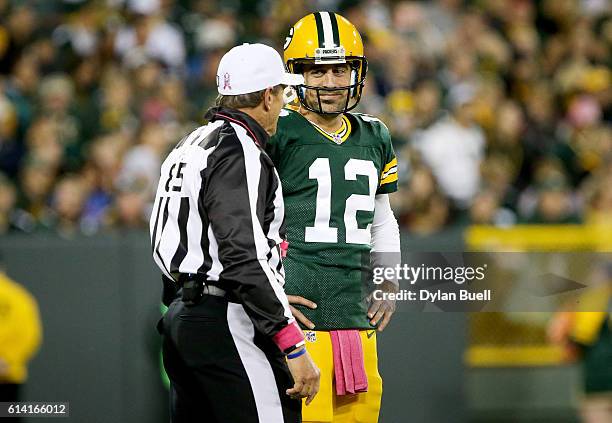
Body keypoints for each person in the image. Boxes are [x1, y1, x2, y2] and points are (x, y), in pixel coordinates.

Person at [150, 43, 320, 423]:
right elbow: (244, 254)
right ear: (266, 96)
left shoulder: (188, 144)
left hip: (182, 315)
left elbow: (172, 239)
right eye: (281, 93)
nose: (282, 104)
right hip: (223, 318)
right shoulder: (238, 149)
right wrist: (291, 343)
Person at [267, 12, 401, 422]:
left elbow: (382, 218)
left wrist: (389, 277)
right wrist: (270, 290)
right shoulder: (279, 131)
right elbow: (250, 221)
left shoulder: (374, 133)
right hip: (297, 323)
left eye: (339, 70)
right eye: (317, 70)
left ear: (356, 72)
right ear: (296, 74)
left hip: (354, 315)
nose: (329, 82)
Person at [0, 252, 42, 423]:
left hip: (8, 377)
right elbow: (30, 334)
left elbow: (29, 334)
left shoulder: (19, 298)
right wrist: (8, 361)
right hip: (9, 376)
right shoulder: (20, 297)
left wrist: (8, 361)